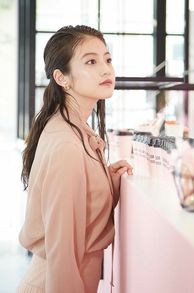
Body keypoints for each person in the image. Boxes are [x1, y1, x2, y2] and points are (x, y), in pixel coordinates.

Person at [17, 25, 133, 293]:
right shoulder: (67, 145)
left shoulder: (71, 128)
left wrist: (107, 181)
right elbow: (62, 254)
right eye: (91, 61)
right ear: (62, 77)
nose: (106, 69)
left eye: (107, 59)